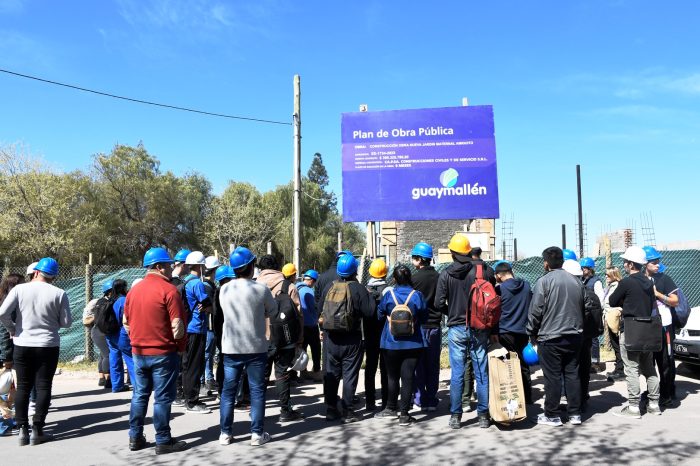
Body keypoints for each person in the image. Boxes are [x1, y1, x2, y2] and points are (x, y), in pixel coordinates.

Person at [0, 257, 72, 446]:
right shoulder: (59, 293)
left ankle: (23, 430)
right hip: (48, 345)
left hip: (22, 344)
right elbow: (67, 322)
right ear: (53, 276)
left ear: (36, 272)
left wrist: (13, 329)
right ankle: (37, 429)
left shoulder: (19, 289)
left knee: (23, 386)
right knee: (43, 386)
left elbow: (2, 313)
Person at [124, 247, 188, 454]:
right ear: (159, 267)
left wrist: (136, 340)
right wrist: (180, 348)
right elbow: (177, 326)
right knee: (162, 398)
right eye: (169, 265)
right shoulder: (169, 291)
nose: (172, 268)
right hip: (163, 353)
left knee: (139, 395)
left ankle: (135, 437)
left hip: (139, 352)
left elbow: (126, 323)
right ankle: (163, 440)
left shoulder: (134, 291)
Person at [435, 234, 494, 429]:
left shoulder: (445, 274)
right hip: (478, 327)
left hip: (456, 328)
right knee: (481, 372)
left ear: (452, 253)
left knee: (457, 373)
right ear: (468, 252)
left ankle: (455, 416)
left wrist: (451, 311)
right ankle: (484, 415)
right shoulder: (481, 271)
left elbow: (437, 303)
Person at [218, 246, 275, 447]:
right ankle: (256, 434)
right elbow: (273, 310)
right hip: (256, 348)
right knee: (257, 391)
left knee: (228, 392)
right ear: (251, 266)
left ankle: (225, 433)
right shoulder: (261, 289)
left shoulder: (224, 289)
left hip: (231, 349)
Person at [527, 247, 585, 427]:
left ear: (545, 263)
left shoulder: (543, 282)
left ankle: (552, 414)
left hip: (550, 337)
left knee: (552, 377)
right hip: (574, 335)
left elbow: (536, 310)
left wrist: (531, 331)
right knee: (572, 374)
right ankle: (575, 413)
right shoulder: (576, 282)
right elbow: (584, 307)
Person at [318, 252, 374, 423]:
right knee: (349, 374)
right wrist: (369, 295)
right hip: (352, 338)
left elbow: (319, 307)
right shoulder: (358, 288)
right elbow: (370, 312)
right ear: (354, 270)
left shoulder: (329, 287)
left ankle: (331, 408)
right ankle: (348, 411)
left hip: (331, 338)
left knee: (332, 373)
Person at [609, 246, 661, 418]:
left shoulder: (626, 282)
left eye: (625, 262)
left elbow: (612, 299)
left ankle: (633, 407)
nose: (623, 264)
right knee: (649, 369)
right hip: (647, 331)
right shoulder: (649, 282)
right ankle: (654, 404)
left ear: (631, 264)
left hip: (631, 329)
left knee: (631, 369)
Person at [374, 265, 427, 426]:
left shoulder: (389, 294)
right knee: (408, 377)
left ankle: (390, 408)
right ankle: (404, 414)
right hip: (413, 342)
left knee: (392, 376)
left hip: (391, 342)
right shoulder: (417, 295)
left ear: (394, 279)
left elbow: (379, 314)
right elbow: (425, 316)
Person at [257, 254, 304, 422]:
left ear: (260, 269)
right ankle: (285, 411)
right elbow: (298, 315)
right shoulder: (289, 285)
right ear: (278, 267)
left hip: (261, 339)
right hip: (285, 337)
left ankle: (257, 413)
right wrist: (299, 339)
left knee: (260, 376)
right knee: (282, 373)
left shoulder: (255, 286)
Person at [643, 246, 679, 407]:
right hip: (646, 327)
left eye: (658, 262)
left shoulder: (664, 279)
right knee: (648, 362)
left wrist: (658, 294)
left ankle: (667, 392)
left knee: (665, 361)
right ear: (645, 264)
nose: (658, 264)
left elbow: (675, 300)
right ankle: (653, 390)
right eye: (654, 262)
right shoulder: (639, 280)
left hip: (664, 326)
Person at [493, 260, 533, 405]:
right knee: (523, 364)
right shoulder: (526, 286)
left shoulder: (499, 290)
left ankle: (511, 399)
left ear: (498, 275)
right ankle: (527, 397)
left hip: (504, 332)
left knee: (506, 366)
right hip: (523, 331)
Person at [562, 259, 600, 411]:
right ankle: (583, 398)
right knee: (584, 369)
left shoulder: (566, 294)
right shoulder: (590, 293)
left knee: (571, 370)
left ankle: (574, 402)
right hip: (586, 338)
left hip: (571, 336)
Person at [410, 242, 441, 412]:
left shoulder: (414, 279)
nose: (412, 260)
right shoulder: (439, 277)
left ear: (421, 260)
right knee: (433, 364)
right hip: (435, 325)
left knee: (418, 364)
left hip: (418, 326)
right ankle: (431, 399)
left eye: (414, 257)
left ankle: (419, 398)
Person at [180, 251, 213, 414]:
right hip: (197, 328)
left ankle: (186, 396)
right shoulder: (198, 284)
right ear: (200, 266)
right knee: (194, 365)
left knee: (187, 364)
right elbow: (208, 306)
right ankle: (192, 401)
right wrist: (207, 306)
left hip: (186, 328)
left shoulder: (184, 281)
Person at [364, 258, 389, 411]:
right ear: (385, 273)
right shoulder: (388, 290)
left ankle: (370, 401)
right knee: (385, 369)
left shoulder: (364, 289)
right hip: (385, 333)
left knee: (370, 368)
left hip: (369, 333)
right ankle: (386, 401)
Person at [82, 282, 111, 389]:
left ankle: (101, 378)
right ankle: (109, 380)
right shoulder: (105, 303)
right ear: (110, 291)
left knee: (103, 354)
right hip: (101, 331)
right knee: (108, 355)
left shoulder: (96, 302)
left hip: (95, 331)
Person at [110, 279, 136, 392]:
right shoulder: (123, 301)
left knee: (114, 358)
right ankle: (138, 385)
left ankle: (116, 385)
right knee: (130, 358)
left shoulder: (110, 300)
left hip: (110, 333)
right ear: (123, 288)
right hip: (121, 332)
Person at [580, 257, 605, 373]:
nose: (583, 270)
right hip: (584, 313)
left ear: (590, 269)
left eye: (585, 268)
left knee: (594, 338)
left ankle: (595, 363)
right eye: (582, 268)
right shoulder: (581, 280)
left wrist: (597, 312)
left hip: (593, 313)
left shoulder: (596, 281)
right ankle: (586, 361)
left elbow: (600, 298)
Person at [297, 269, 322, 382]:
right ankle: (316, 371)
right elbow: (315, 308)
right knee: (316, 348)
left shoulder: (296, 287)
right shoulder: (309, 291)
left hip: (299, 325)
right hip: (310, 325)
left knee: (302, 349)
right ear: (312, 280)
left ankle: (303, 371)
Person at [202, 256, 221, 393]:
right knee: (207, 354)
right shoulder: (206, 286)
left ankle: (208, 378)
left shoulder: (211, 286)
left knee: (209, 353)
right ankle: (205, 380)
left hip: (212, 326)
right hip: (209, 326)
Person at [603, 267, 625, 382]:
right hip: (609, 316)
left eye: (608, 275)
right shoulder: (610, 286)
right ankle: (618, 367)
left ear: (614, 275)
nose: (606, 276)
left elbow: (613, 302)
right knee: (614, 344)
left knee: (618, 345)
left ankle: (621, 370)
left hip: (615, 317)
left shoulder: (617, 286)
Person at [0, 275, 25, 374]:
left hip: (6, 350)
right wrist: (7, 357)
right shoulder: (9, 302)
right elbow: (3, 331)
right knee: (7, 383)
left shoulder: (4, 298)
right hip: (6, 351)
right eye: (23, 283)